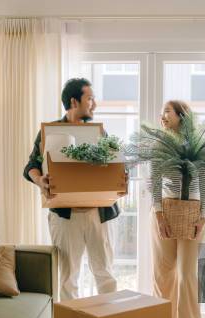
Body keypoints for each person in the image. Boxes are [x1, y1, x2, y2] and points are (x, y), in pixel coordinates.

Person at [23, 78, 125, 301]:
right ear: (73, 101)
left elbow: (113, 167)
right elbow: (30, 166)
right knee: (68, 278)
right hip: (65, 216)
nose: (94, 104)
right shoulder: (49, 132)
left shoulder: (100, 134)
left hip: (99, 214)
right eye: (90, 98)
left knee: (105, 274)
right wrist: (40, 180)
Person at [151, 100, 205, 318]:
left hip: (192, 212)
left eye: (167, 111)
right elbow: (153, 181)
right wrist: (159, 215)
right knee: (164, 273)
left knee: (187, 274)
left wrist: (203, 216)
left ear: (181, 115)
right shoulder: (159, 144)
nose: (162, 115)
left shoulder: (199, 146)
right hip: (164, 210)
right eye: (162, 110)